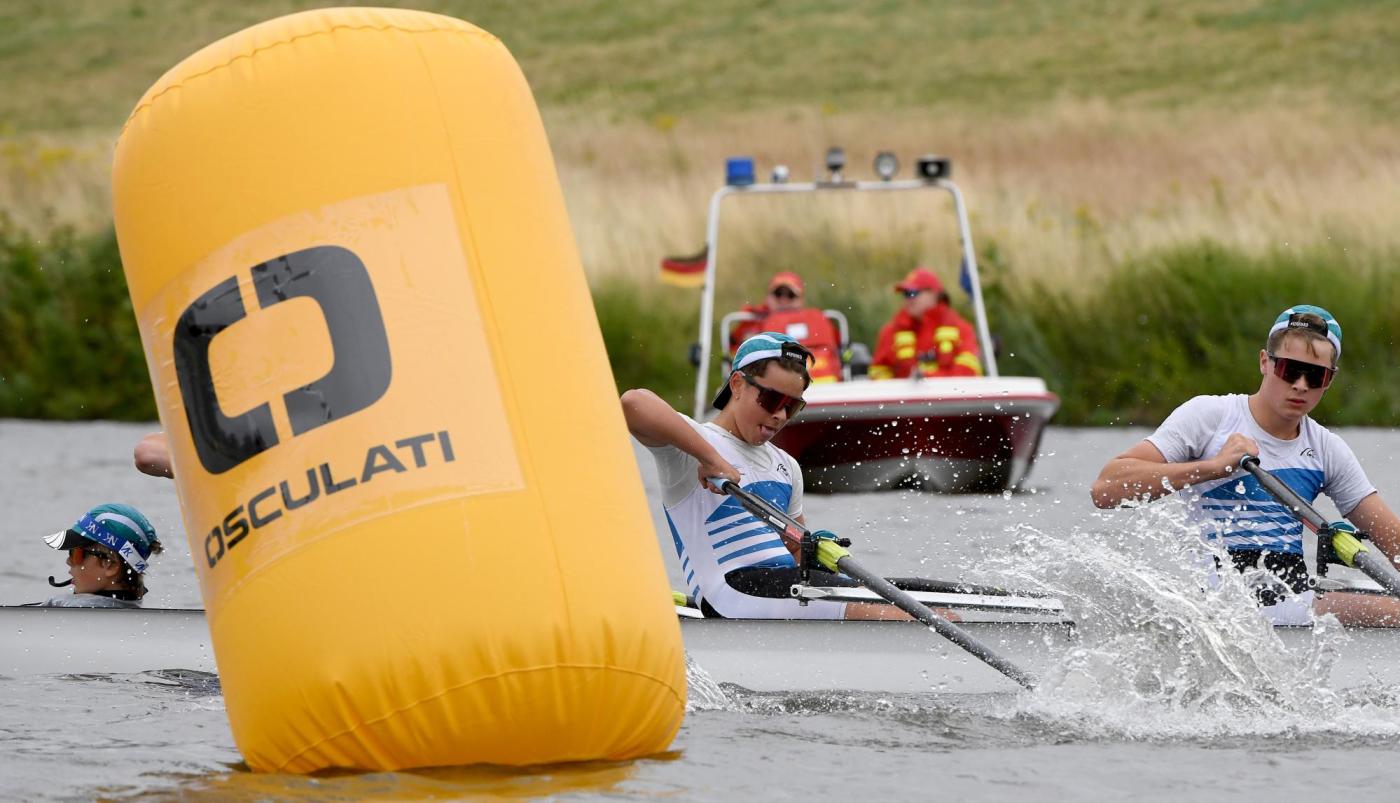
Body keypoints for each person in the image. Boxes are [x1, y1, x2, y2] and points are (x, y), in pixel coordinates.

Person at [1090, 305, 1400, 627]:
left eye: (1315, 375)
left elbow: (1395, 544)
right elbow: (1105, 489)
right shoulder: (1210, 417)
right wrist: (1213, 467)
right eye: (1290, 370)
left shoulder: (1326, 449)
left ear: (1330, 380)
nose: (1301, 385)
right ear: (1265, 362)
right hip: (1216, 605)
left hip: (1289, 599)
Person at [622, 332, 899, 619]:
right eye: (771, 399)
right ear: (737, 384)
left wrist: (812, 552)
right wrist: (711, 460)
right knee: (887, 607)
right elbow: (633, 403)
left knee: (917, 591)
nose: (780, 415)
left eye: (791, 406)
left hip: (784, 590)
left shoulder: (787, 465)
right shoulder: (693, 444)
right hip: (732, 594)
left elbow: (794, 550)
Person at [35, 503, 164, 608]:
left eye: (76, 554)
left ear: (110, 565)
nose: (68, 561)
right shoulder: (138, 615)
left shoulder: (65, 611)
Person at [869, 267, 982, 380]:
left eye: (913, 293)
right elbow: (877, 374)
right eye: (905, 294)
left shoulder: (961, 330)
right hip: (904, 392)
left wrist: (926, 379)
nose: (909, 299)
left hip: (949, 392)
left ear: (934, 294)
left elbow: (968, 372)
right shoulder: (890, 332)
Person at [729, 272, 842, 382]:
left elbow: (840, 348)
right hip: (776, 387)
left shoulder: (818, 319)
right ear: (768, 298)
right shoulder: (753, 324)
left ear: (801, 298)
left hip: (827, 386)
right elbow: (737, 356)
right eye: (778, 294)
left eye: (791, 295)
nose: (784, 300)